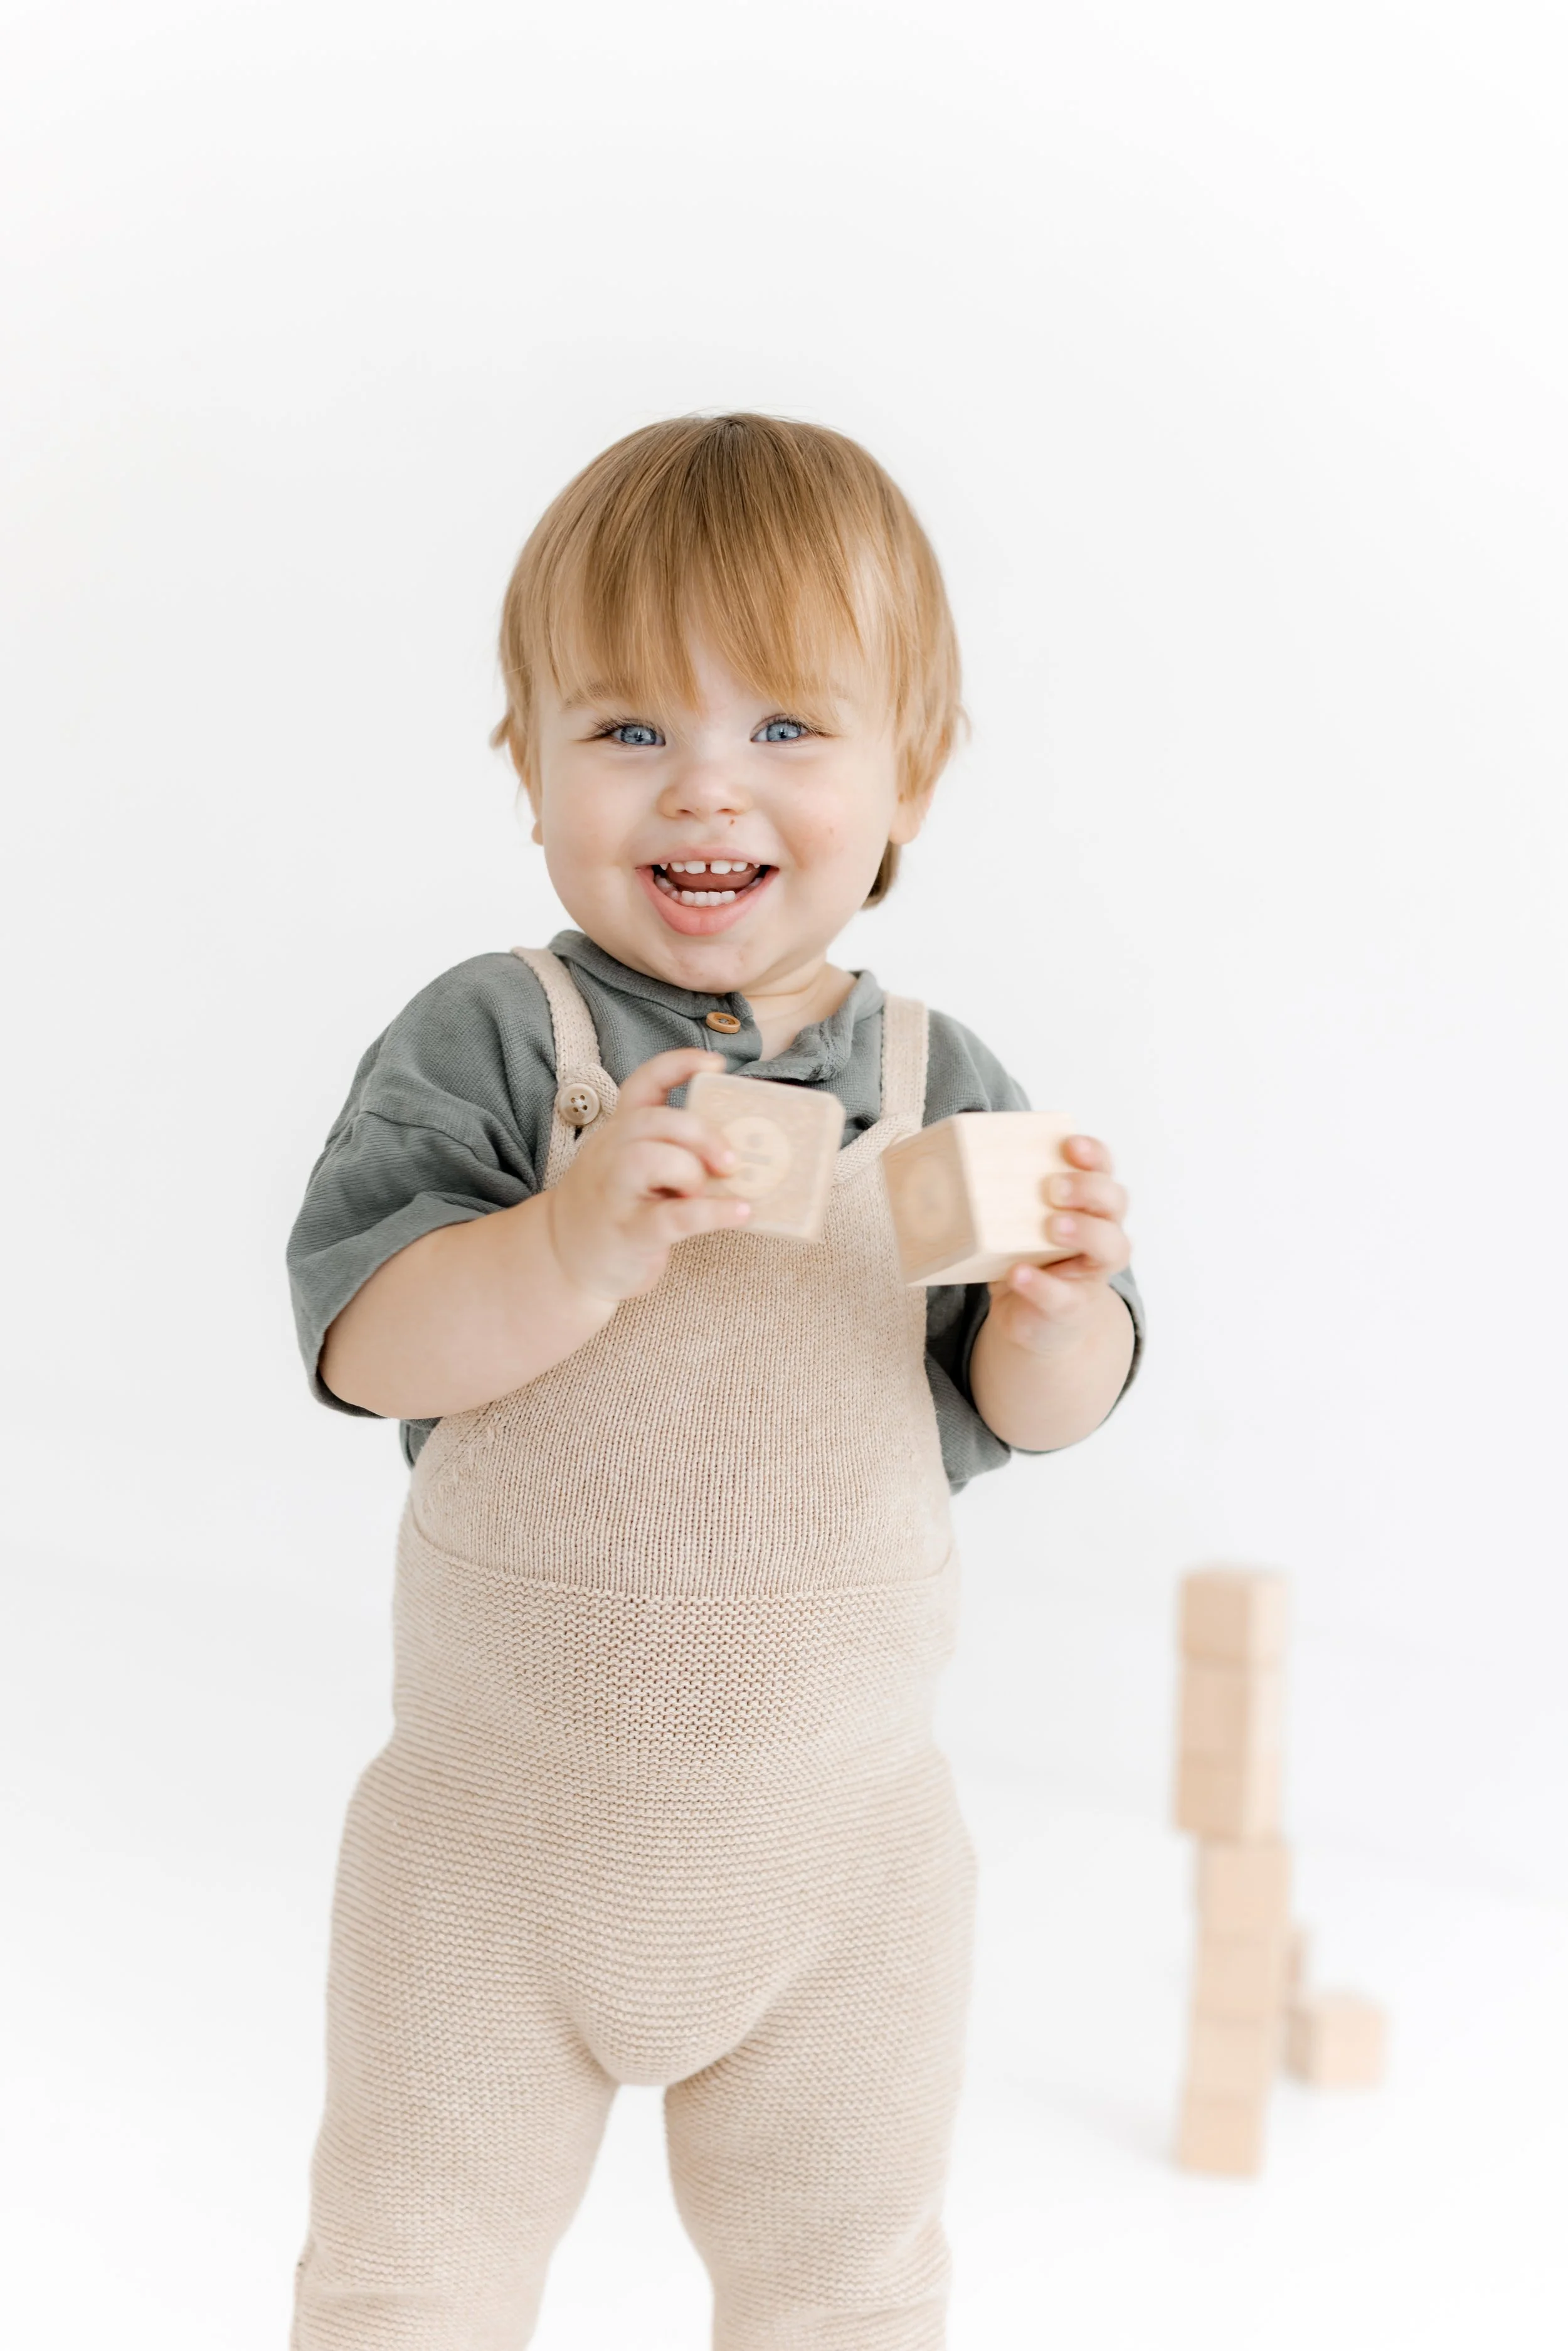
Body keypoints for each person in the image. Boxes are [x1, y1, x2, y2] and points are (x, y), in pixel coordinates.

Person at [286, 411, 1142, 2349]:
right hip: (492, 1855)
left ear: (908, 772)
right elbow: (363, 1341)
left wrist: (1054, 1301)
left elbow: (1026, 1415)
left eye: (781, 729)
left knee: (842, 2283)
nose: (703, 789)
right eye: (623, 730)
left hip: (841, 1871)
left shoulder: (939, 1079)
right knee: (408, 2266)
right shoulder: (505, 1037)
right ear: (528, 770)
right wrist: (569, 1241)